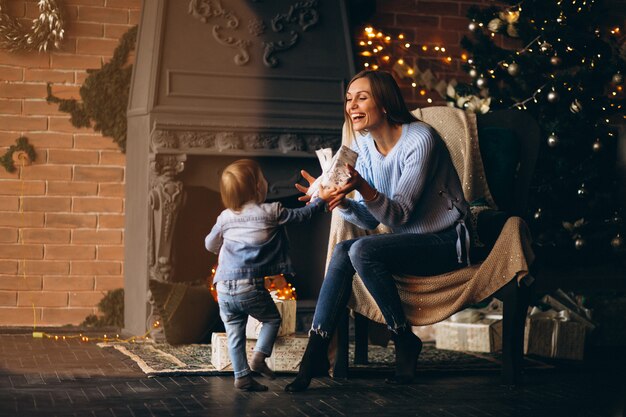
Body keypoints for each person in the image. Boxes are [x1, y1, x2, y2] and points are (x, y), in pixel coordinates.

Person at [285, 70, 470, 392]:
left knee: (360, 250)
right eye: (348, 99)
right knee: (345, 250)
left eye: (362, 97)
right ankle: (315, 352)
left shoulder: (419, 138)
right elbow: (371, 221)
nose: (352, 106)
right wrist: (338, 200)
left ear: (384, 103)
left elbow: (399, 215)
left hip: (449, 241)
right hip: (411, 242)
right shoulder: (365, 148)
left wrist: (363, 187)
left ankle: (402, 338)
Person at [205, 159, 332, 391]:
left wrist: (221, 248)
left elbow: (209, 244)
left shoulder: (225, 217)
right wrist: (320, 200)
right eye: (263, 178)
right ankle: (259, 357)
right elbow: (302, 215)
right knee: (272, 319)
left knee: (234, 331)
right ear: (257, 188)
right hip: (249, 286)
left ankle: (241, 376)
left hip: (223, 286)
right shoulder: (272, 211)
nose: (266, 182)